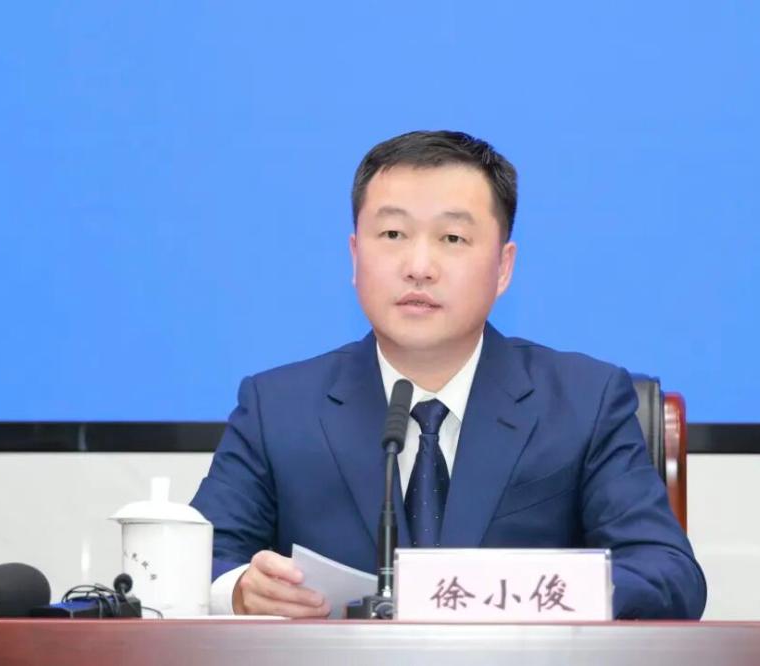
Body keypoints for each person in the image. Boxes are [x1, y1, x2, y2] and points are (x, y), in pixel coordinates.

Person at [190, 130, 706, 619]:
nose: (419, 266)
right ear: (355, 255)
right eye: (393, 234)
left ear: (503, 267)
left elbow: (668, 573)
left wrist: (533, 594)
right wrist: (238, 590)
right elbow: (196, 559)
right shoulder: (278, 407)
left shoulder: (585, 401)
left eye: (453, 237)